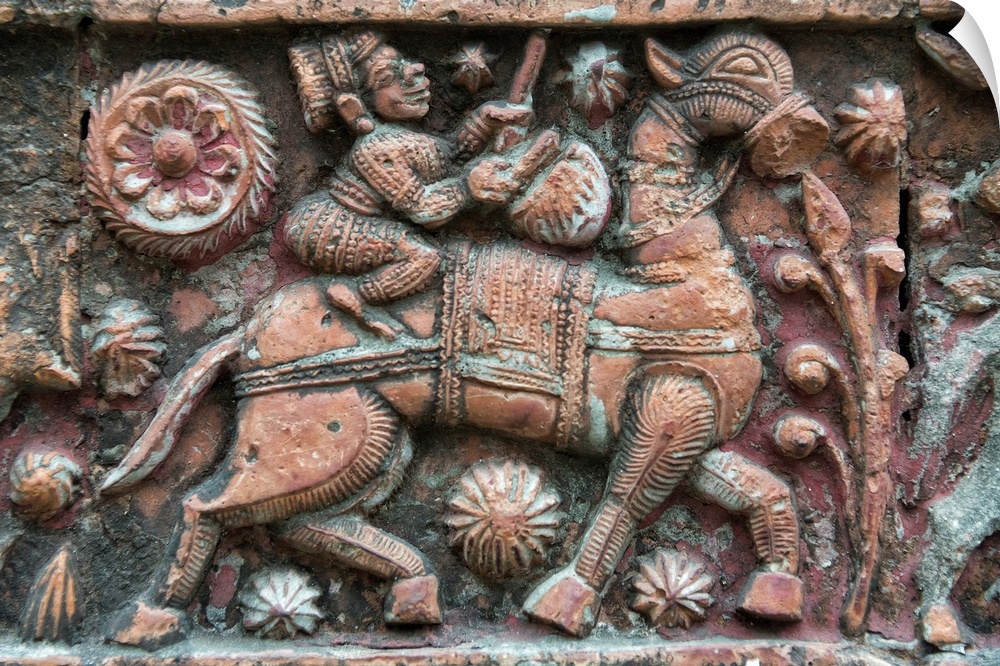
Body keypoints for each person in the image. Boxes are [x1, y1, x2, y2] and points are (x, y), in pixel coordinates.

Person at [286, 31, 533, 337]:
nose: (414, 71)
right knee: (425, 257)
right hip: (331, 226)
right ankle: (358, 295)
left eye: (405, 63)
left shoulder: (403, 138)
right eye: (389, 76)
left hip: (357, 218)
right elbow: (423, 209)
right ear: (354, 105)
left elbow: (452, 157)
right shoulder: (375, 148)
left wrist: (484, 120)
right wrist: (466, 189)